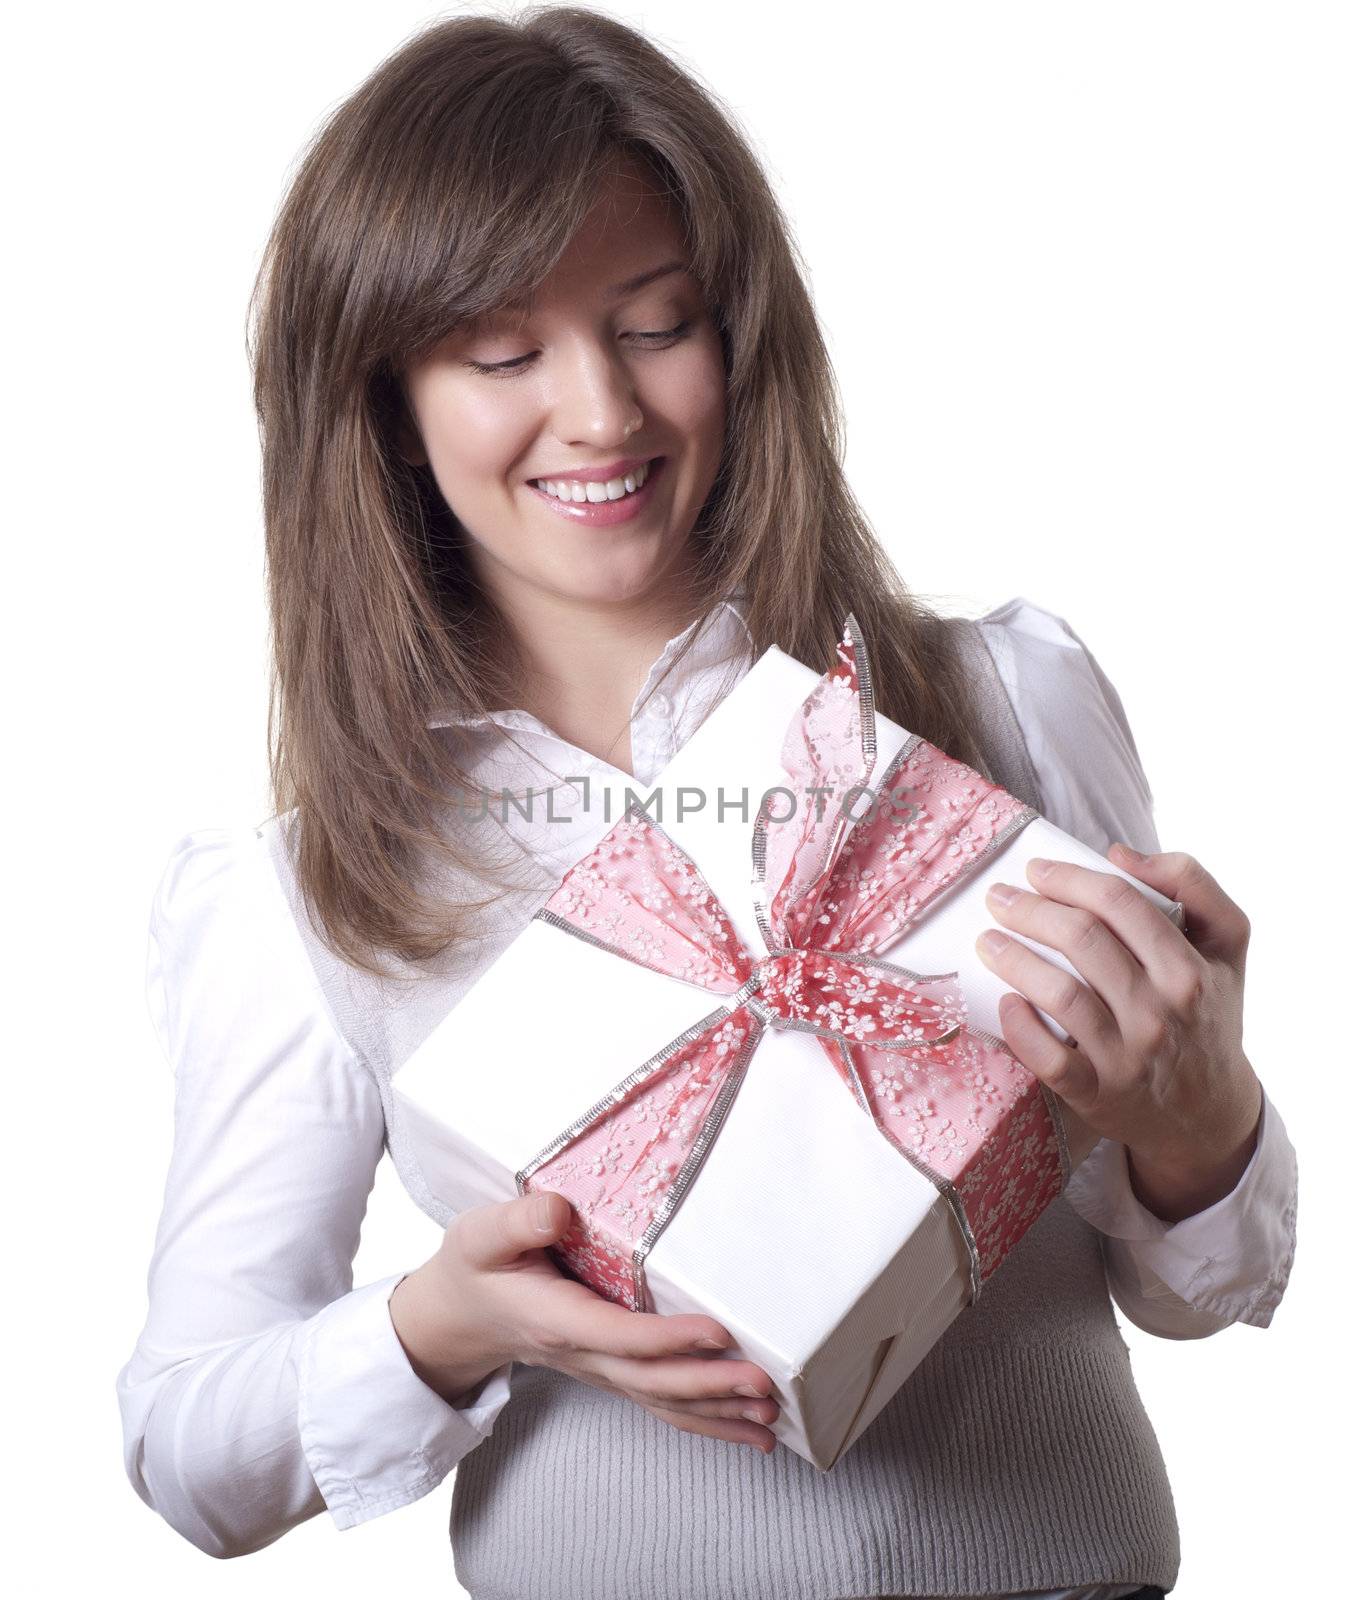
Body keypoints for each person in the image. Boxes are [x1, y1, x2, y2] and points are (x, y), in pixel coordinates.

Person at [115, 9, 1297, 1598]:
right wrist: (447, 1327)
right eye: (501, 353)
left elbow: (1210, 1287)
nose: (600, 413)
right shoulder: (314, 894)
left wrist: (1196, 1113)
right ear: (383, 401)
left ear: (743, 333)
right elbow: (188, 1449)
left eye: (656, 323)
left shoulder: (993, 704)